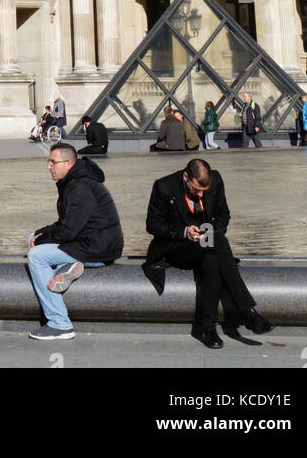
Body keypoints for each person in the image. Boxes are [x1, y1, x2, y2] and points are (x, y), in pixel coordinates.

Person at [142, 156, 273, 349]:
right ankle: (248, 312)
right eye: (196, 190)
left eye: (204, 191)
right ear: (186, 176)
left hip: (207, 242)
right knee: (218, 241)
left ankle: (208, 328)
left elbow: (223, 215)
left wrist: (208, 230)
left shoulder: (216, 180)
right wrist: (185, 232)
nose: (201, 195)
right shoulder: (164, 187)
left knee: (212, 260)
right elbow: (152, 225)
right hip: (178, 247)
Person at [27, 142, 123, 341]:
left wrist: (42, 240)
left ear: (69, 164)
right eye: (48, 162)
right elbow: (67, 223)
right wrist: (39, 233)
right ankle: (67, 265)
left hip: (97, 248)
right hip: (90, 240)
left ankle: (59, 323)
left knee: (36, 256)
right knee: (32, 238)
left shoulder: (79, 187)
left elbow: (68, 230)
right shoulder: (74, 181)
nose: (49, 166)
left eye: (53, 162)